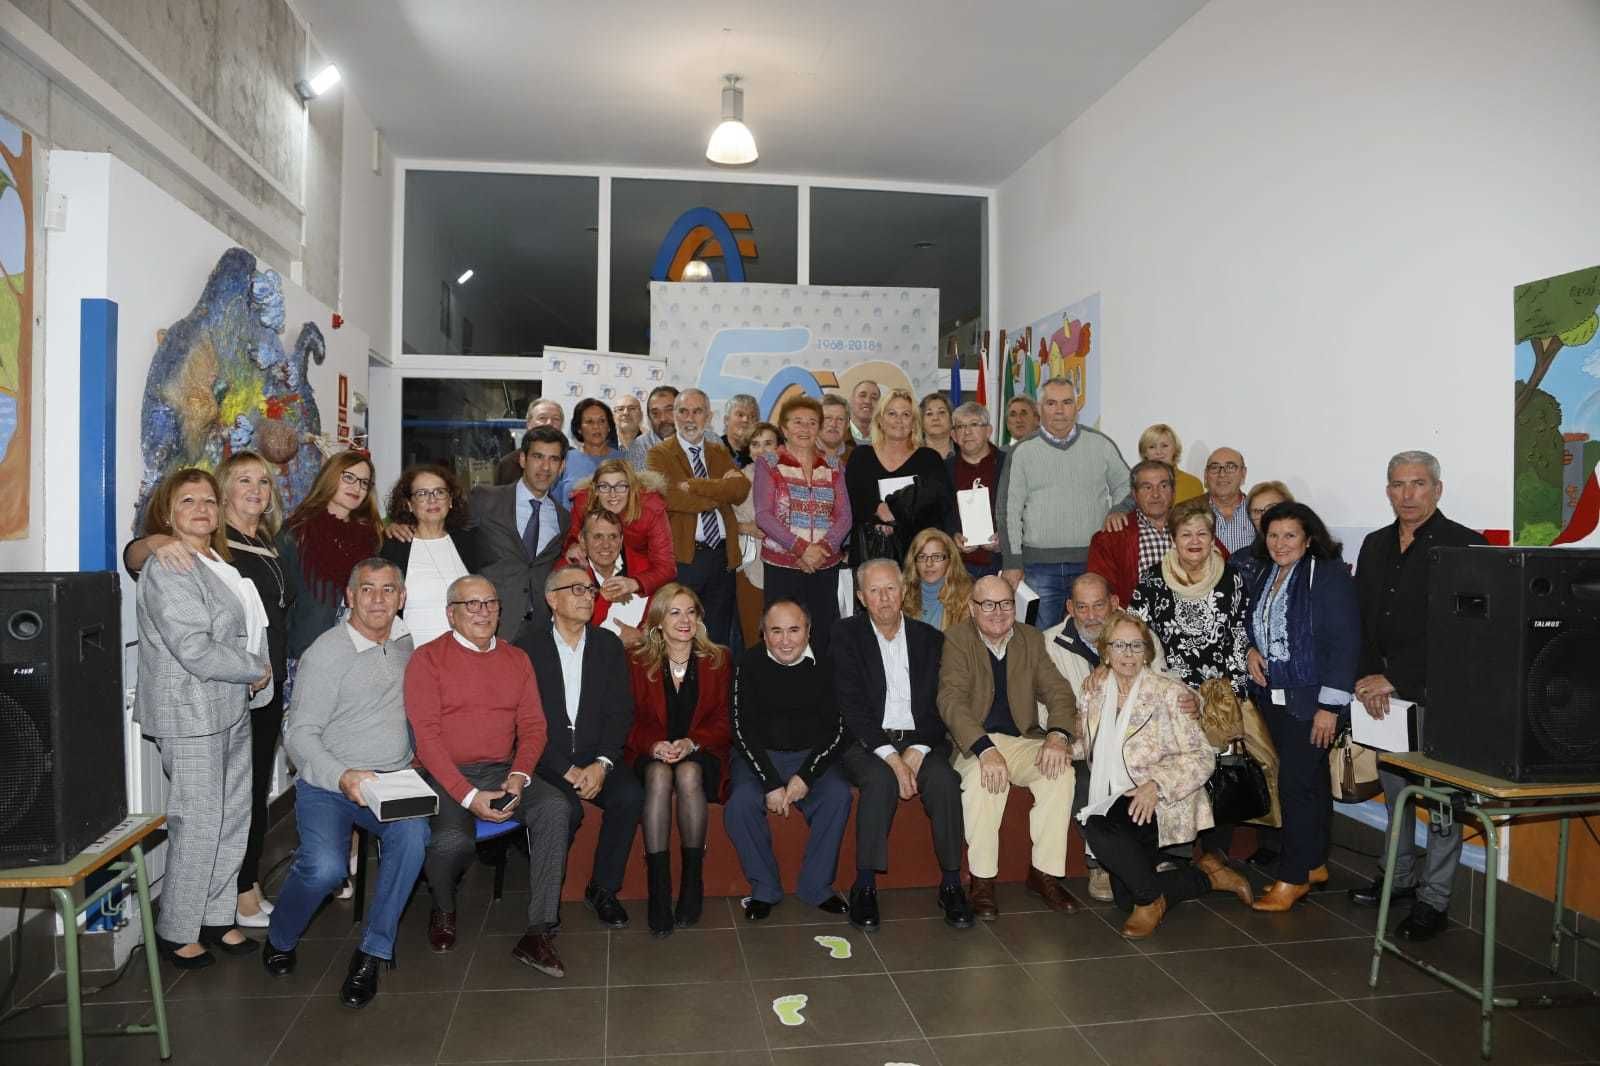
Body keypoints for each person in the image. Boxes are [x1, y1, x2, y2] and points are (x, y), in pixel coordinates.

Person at [122, 451, 290, 929]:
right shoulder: (171, 560)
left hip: (233, 702)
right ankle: (179, 929)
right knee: (198, 823)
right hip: (194, 708)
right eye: (188, 500)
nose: (202, 509)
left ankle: (217, 918)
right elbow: (194, 646)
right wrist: (255, 668)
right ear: (168, 512)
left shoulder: (218, 558)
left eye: (208, 501)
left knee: (233, 814)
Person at [264, 558, 428, 1008]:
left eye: (388, 589)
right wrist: (343, 775)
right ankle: (280, 935)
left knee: (414, 837)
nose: (378, 599)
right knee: (326, 868)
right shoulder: (325, 654)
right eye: (368, 590)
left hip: (392, 778)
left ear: (402, 597)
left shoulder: (404, 641)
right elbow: (298, 736)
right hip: (330, 782)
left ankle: (373, 951)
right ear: (349, 597)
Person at [1348, 451, 1486, 941]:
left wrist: (1398, 679)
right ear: (1387, 490)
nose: (1407, 494)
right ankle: (1399, 878)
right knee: (1395, 792)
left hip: (1434, 696)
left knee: (1442, 801)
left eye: (1418, 484)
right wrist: (1367, 677)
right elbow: (1360, 618)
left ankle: (1435, 900)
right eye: (1398, 484)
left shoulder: (1465, 545)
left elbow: (1462, 633)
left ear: (1438, 489)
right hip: (1378, 697)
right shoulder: (1375, 544)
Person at [405, 575, 571, 975]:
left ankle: (539, 930)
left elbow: (534, 727)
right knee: (449, 843)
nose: (482, 611)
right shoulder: (427, 660)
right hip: (444, 771)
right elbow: (425, 740)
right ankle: (443, 907)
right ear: (451, 614)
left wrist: (519, 775)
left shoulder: (516, 659)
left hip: (501, 768)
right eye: (470, 604)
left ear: (500, 610)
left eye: (489, 603)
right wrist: (467, 796)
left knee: (555, 808)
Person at [1077, 612, 1253, 939]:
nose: (1128, 654)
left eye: (1136, 645)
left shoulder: (1169, 693)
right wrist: (1059, 746)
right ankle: (1206, 877)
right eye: (1120, 645)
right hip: (1118, 797)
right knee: (1122, 899)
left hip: (1163, 802)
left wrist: (1156, 784)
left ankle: (1150, 902)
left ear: (1147, 651)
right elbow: (1092, 743)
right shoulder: (1094, 691)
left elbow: (1202, 756)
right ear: (1106, 652)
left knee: (1096, 826)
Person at [834, 560, 974, 929]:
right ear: (862, 598)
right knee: (879, 782)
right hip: (867, 743)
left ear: (903, 591)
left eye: (891, 589)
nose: (884, 599)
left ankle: (951, 882)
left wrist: (919, 748)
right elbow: (851, 708)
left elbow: (939, 704)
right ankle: (864, 884)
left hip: (920, 740)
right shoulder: (846, 636)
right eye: (875, 591)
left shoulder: (929, 639)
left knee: (945, 782)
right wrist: (894, 760)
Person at [937, 574, 1083, 918]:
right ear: (973, 608)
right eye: (988, 604)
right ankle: (983, 881)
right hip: (974, 743)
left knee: (1060, 772)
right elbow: (951, 701)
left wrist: (1058, 736)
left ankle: (1044, 873)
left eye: (1005, 604)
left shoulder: (1030, 638)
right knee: (986, 780)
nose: (998, 612)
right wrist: (985, 749)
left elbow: (1059, 692)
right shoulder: (957, 640)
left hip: (1020, 740)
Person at [1245, 502, 1360, 912]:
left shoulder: (1327, 576)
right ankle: (1313, 863)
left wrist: (1330, 706)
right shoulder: (1266, 571)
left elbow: (1345, 644)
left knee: (1295, 785)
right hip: (1276, 697)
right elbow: (1251, 621)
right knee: (1309, 782)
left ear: (1309, 537)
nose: (1279, 543)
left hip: (1313, 702)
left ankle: (1292, 878)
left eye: (1289, 535)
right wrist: (1250, 651)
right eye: (1273, 535)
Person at [515, 566, 644, 931]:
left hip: (596, 756)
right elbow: (523, 722)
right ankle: (540, 876)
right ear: (552, 599)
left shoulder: (607, 645)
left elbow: (621, 712)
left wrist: (602, 763)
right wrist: (565, 769)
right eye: (577, 590)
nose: (588, 596)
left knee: (630, 796)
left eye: (591, 589)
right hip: (546, 760)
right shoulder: (526, 648)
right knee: (565, 810)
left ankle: (603, 889)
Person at [1127, 497, 1251, 863]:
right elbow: (1138, 641)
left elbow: (1241, 640)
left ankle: (1216, 856)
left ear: (1213, 538)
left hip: (1219, 694)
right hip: (1170, 694)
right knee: (1176, 762)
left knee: (1222, 765)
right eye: (1186, 534)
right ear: (1173, 539)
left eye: (1202, 533)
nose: (1194, 540)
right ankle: (1176, 852)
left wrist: (1227, 696)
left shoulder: (1233, 580)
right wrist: (1165, 692)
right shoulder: (1151, 581)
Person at [1044, 571, 1167, 903]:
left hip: (1140, 744)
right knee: (1082, 777)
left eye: (1099, 605)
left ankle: (1157, 857)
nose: (1091, 616)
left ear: (1114, 602)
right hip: (1085, 745)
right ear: (1069, 607)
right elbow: (1049, 709)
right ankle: (1098, 863)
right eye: (1081, 607)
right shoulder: (1050, 643)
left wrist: (1111, 670)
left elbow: (1160, 693)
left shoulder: (1142, 637)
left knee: (1154, 772)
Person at [725, 600, 852, 921]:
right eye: (776, 631)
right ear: (763, 634)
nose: (785, 640)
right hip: (759, 758)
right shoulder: (747, 663)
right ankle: (764, 888)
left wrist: (805, 777)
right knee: (739, 805)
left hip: (811, 757)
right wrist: (770, 782)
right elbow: (741, 731)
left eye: (794, 630)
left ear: (808, 631)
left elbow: (838, 730)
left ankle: (816, 886)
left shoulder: (827, 665)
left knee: (837, 795)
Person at [626, 584, 733, 936]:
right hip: (649, 752)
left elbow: (724, 722)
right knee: (659, 775)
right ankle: (659, 889)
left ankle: (692, 880)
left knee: (687, 774)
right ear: (658, 620)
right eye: (674, 612)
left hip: (701, 754)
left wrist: (692, 742)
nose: (684, 620)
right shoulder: (637, 660)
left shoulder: (718, 659)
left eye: (690, 611)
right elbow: (625, 720)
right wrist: (653, 745)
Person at [996, 377, 1133, 630]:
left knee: (1095, 638)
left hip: (1092, 563)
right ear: (1039, 409)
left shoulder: (1100, 445)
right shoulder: (1023, 452)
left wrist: (1118, 509)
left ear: (1077, 406)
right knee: (1041, 643)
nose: (1059, 410)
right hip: (1038, 568)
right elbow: (1009, 511)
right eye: (1051, 403)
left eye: (1067, 402)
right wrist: (1012, 562)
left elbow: (1129, 485)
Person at [649, 388, 749, 646]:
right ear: (674, 415)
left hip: (722, 557)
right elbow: (669, 498)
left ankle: (712, 687)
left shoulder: (719, 451)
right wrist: (720, 490)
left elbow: (739, 490)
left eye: (697, 411)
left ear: (709, 416)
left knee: (717, 638)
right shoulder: (659, 454)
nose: (689, 418)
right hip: (686, 558)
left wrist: (694, 486)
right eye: (682, 411)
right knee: (680, 634)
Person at [753, 396, 852, 653]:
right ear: (784, 429)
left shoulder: (834, 466)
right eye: (797, 422)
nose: (805, 428)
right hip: (782, 567)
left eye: (811, 422)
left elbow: (845, 517)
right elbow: (764, 515)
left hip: (825, 565)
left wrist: (820, 550)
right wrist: (801, 549)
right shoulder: (768, 463)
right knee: (782, 639)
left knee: (822, 639)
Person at [279, 450, 384, 661]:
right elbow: (280, 600)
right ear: (330, 477)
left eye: (364, 483)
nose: (357, 487)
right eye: (349, 477)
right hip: (307, 652)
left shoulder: (372, 538)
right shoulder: (297, 532)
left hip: (359, 653)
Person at [471, 425, 571, 638]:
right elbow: (446, 534)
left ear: (562, 466)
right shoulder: (485, 499)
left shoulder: (563, 518)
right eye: (538, 457)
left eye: (553, 459)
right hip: (487, 624)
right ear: (523, 460)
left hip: (539, 632)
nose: (545, 467)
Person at [844, 387, 955, 565]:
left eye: (906, 415)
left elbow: (940, 508)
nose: (899, 421)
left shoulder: (929, 459)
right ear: (880, 419)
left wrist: (896, 514)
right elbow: (852, 503)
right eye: (892, 413)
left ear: (914, 422)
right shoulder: (861, 457)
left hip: (919, 558)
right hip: (871, 556)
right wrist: (876, 513)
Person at [380, 464, 478, 645]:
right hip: (410, 656)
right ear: (410, 504)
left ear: (450, 500)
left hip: (463, 655)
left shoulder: (471, 543)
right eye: (422, 494)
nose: (432, 500)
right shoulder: (394, 546)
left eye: (439, 492)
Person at [561, 458, 676, 604]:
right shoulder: (584, 501)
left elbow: (666, 567)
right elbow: (572, 534)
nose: (613, 494)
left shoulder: (651, 508)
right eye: (604, 487)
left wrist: (635, 583)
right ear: (595, 490)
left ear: (632, 488)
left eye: (621, 486)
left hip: (642, 570)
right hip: (599, 567)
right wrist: (573, 544)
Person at [1086, 459, 1177, 606]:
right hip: (1134, 623)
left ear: (1173, 492)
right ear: (1134, 494)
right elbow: (1100, 594)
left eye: (1163, 486)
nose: (1156, 494)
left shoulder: (1194, 529)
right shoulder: (1110, 538)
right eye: (1147, 487)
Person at [733, 421, 781, 647]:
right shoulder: (737, 480)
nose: (761, 450)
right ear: (748, 450)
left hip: (789, 566)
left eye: (768, 443)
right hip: (752, 565)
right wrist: (746, 527)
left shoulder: (794, 475)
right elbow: (723, 521)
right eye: (755, 444)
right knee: (754, 634)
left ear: (780, 446)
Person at [948, 400, 1005, 578]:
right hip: (959, 567)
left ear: (988, 431)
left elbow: (1026, 509)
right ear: (953, 435)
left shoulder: (1009, 464)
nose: (967, 432)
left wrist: (1005, 539)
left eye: (974, 424)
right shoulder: (943, 469)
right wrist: (952, 536)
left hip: (1002, 564)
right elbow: (939, 513)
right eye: (960, 426)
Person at [571, 509, 644, 643]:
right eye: (598, 536)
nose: (606, 545)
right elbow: (569, 630)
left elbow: (665, 620)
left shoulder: (644, 569)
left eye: (613, 537)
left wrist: (644, 637)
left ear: (621, 540)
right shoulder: (569, 573)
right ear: (582, 539)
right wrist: (612, 645)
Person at [901, 527, 972, 632]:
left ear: (950, 559)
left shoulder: (967, 598)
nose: (929, 564)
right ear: (913, 562)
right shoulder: (901, 596)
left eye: (937, 557)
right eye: (922, 557)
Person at [557, 398, 625, 507]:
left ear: (609, 427)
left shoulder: (624, 460)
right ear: (579, 428)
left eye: (602, 421)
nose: (596, 426)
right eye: (589, 422)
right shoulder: (564, 459)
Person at [1233, 480, 1295, 593]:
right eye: (1257, 511)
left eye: (1272, 508)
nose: (1265, 517)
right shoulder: (1239, 560)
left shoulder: (1311, 558)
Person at [496, 398, 566, 485]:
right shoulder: (508, 464)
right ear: (528, 424)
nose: (549, 423)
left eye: (556, 419)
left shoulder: (573, 460)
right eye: (542, 418)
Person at [1204, 447, 1255, 555]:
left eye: (1230, 467)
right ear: (1205, 475)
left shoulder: (1257, 511)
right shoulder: (1188, 511)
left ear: (1243, 473)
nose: (1222, 474)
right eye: (1214, 467)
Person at [1138, 424, 1205, 502]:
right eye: (1152, 447)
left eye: (1164, 446)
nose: (1158, 452)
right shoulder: (1138, 484)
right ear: (1144, 453)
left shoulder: (1193, 484)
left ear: (1175, 449)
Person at [722, 393, 759, 468]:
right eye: (740, 415)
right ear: (726, 420)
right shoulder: (711, 449)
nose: (745, 420)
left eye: (752, 416)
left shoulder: (765, 449)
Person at [614, 393, 650, 469]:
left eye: (632, 408)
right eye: (620, 409)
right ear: (614, 417)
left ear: (641, 415)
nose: (626, 413)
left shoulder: (652, 445)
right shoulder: (603, 444)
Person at [819, 393, 855, 465]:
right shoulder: (799, 453)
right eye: (828, 418)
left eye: (840, 419)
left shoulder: (857, 457)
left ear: (847, 424)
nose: (833, 424)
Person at [919, 392, 954, 459]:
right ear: (921, 421)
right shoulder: (910, 454)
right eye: (929, 413)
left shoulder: (965, 452)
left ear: (951, 419)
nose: (935, 418)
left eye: (941, 412)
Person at [847, 379, 881, 444]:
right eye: (862, 395)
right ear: (851, 400)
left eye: (874, 398)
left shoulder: (886, 439)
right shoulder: (837, 434)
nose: (867, 401)